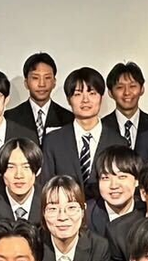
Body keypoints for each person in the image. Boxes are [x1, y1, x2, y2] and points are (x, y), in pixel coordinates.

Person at [41, 66, 126, 199]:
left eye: (92, 93)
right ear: (68, 100)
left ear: (101, 98)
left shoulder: (119, 143)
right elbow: (47, 187)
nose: (85, 100)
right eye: (78, 94)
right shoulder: (53, 141)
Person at [31, 176, 110, 261]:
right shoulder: (32, 246)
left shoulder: (99, 248)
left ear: (83, 210)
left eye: (71, 207)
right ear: (43, 213)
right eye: (53, 209)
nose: (62, 217)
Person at [0, 138, 44, 235]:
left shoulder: (50, 202)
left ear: (38, 170)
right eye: (11, 167)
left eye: (26, 167)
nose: (19, 175)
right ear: (1, 171)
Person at [6, 52, 73, 142]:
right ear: (26, 83)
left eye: (47, 78)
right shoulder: (10, 117)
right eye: (35, 78)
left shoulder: (68, 118)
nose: (42, 84)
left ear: (54, 82)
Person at [100, 61, 148, 150]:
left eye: (132, 86)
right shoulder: (100, 127)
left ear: (142, 89)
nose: (127, 92)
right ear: (110, 93)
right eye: (120, 87)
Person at [87, 145, 141, 236]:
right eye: (106, 178)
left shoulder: (146, 213)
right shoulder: (86, 215)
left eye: (122, 177)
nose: (114, 186)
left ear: (136, 180)